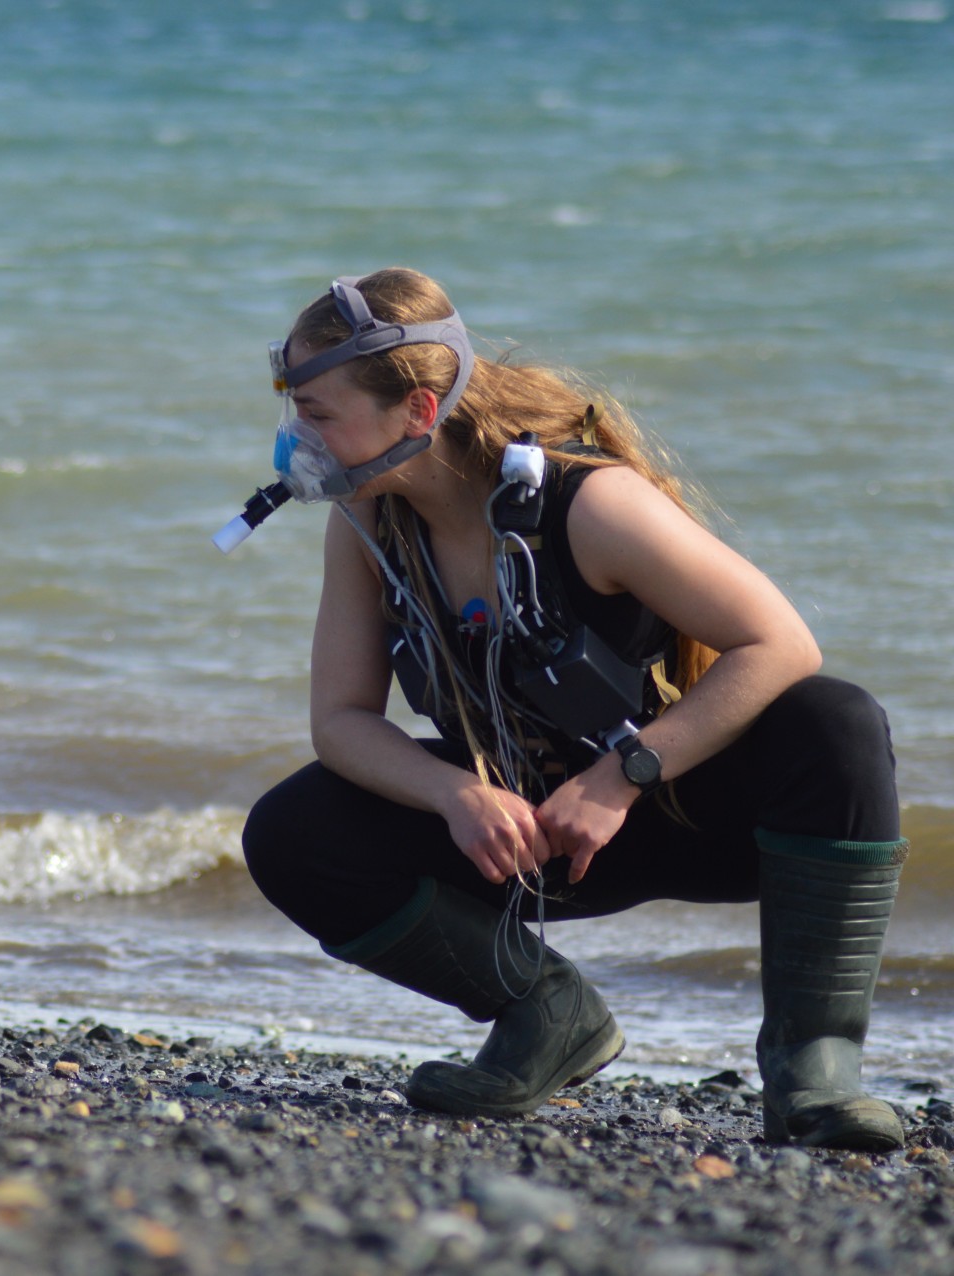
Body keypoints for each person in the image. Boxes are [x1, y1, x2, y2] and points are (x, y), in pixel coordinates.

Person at [236, 268, 908, 1151]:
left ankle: (812, 1072)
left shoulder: (587, 502)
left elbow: (781, 643)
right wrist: (455, 797)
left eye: (317, 414)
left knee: (836, 721)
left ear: (418, 412)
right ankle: (544, 1013)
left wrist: (624, 776)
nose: (297, 442)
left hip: (675, 809)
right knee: (291, 830)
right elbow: (343, 724)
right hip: (523, 836)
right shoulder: (368, 526)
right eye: (296, 411)